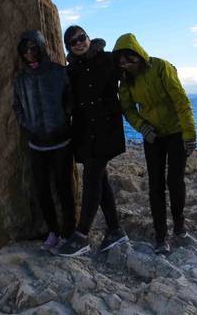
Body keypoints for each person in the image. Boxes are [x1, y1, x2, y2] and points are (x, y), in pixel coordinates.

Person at [112, 33, 197, 255]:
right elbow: (127, 109)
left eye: (129, 59)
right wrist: (142, 127)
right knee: (155, 186)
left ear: (138, 54)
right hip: (153, 137)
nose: (126, 65)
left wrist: (189, 134)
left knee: (175, 181)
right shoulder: (126, 81)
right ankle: (161, 236)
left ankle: (179, 225)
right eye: (121, 61)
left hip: (177, 131)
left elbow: (181, 100)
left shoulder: (161, 67)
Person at [57, 26, 128, 257]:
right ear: (69, 47)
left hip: (106, 130)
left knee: (91, 178)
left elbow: (133, 70)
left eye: (81, 38)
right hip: (85, 133)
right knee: (100, 179)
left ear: (88, 38)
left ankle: (82, 235)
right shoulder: (71, 71)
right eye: (72, 42)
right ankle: (115, 229)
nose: (78, 43)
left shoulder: (108, 60)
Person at [13, 30, 76, 252]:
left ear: (40, 46)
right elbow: (17, 106)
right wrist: (26, 125)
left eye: (32, 48)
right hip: (36, 142)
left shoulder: (59, 72)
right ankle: (53, 231)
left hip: (61, 140)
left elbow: (71, 97)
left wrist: (64, 116)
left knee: (63, 187)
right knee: (41, 189)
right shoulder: (20, 79)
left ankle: (69, 232)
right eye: (24, 49)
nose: (29, 53)